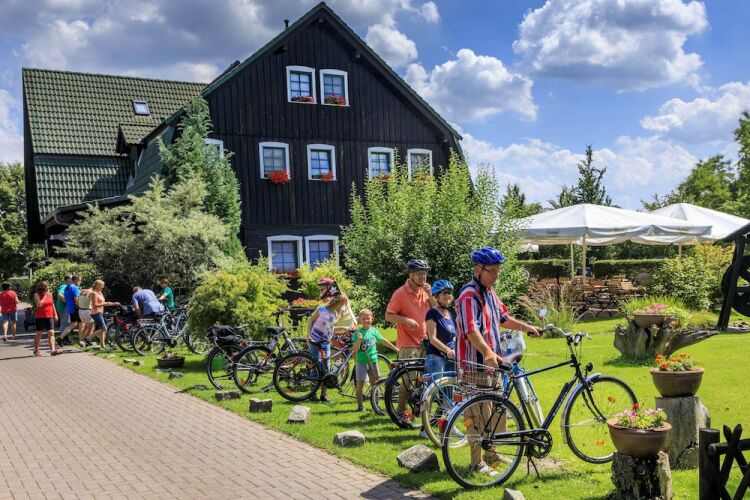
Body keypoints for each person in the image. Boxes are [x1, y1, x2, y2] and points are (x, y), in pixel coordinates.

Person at [455, 247, 540, 477]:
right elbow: (471, 330)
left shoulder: (490, 292)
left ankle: (491, 454)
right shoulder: (468, 296)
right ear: (478, 269)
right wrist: (487, 353)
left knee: (497, 412)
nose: (496, 275)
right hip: (475, 365)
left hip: (494, 364)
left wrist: (526, 327)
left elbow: (503, 317)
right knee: (477, 415)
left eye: (498, 271)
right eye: (492, 271)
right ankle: (476, 463)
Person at [385, 259, 436, 418]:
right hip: (408, 343)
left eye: (424, 274)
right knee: (408, 380)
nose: (423, 277)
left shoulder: (425, 291)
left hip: (425, 342)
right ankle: (400, 411)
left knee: (422, 379)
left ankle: (418, 411)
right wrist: (406, 320)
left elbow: (437, 309)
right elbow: (388, 316)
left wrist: (430, 295)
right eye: (419, 273)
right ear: (410, 275)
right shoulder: (400, 293)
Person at [307, 287, 350, 403]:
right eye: (343, 303)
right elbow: (311, 320)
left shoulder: (336, 313)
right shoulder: (322, 308)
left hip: (326, 342)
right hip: (315, 340)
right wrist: (308, 337)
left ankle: (323, 395)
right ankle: (312, 393)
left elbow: (331, 327)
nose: (344, 306)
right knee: (316, 367)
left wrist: (346, 329)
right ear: (338, 302)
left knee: (326, 368)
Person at [351, 309, 399, 411]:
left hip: (373, 361)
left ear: (372, 319)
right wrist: (359, 340)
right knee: (360, 384)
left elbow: (383, 340)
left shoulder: (374, 331)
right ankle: (360, 407)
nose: (366, 320)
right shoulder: (357, 333)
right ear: (360, 320)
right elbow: (355, 349)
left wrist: (395, 349)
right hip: (361, 362)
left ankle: (376, 405)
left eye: (368, 318)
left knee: (375, 383)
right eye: (363, 319)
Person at [424, 279, 457, 376]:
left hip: (451, 358)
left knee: (451, 385)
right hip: (436, 357)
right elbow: (432, 339)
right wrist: (448, 350)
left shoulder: (449, 314)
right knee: (436, 385)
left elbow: (452, 336)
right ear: (437, 296)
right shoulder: (432, 313)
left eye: (449, 292)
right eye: (444, 293)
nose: (447, 295)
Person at [32, 281, 61, 356]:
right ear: (42, 288)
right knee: (39, 333)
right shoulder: (36, 294)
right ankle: (36, 349)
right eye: (47, 287)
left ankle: (53, 350)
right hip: (40, 316)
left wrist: (55, 314)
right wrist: (45, 296)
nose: (48, 288)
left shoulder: (50, 294)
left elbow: (52, 304)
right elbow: (39, 304)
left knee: (51, 332)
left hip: (49, 316)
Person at [89, 280, 120, 350]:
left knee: (101, 329)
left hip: (100, 312)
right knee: (103, 328)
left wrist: (112, 303)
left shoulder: (100, 293)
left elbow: (103, 302)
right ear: (97, 286)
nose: (102, 288)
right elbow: (95, 304)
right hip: (96, 313)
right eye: (101, 286)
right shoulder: (94, 293)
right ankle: (88, 338)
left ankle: (102, 345)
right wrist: (107, 304)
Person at [59, 274, 82, 345]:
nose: (80, 282)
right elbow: (76, 299)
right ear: (76, 280)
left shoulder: (67, 287)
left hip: (70, 309)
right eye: (80, 280)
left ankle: (60, 338)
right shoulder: (74, 288)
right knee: (81, 324)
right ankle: (81, 341)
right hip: (76, 308)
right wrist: (80, 306)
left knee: (73, 324)